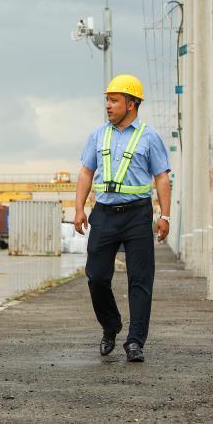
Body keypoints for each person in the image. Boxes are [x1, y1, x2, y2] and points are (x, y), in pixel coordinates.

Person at [73, 74, 171, 363]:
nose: (108, 105)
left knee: (140, 280)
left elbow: (162, 177)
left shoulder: (149, 137)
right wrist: (79, 208)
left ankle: (135, 341)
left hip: (138, 215)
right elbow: (86, 172)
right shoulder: (97, 135)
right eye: (107, 100)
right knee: (96, 277)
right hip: (103, 214)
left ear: (131, 104)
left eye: (114, 101)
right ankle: (111, 325)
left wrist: (165, 215)